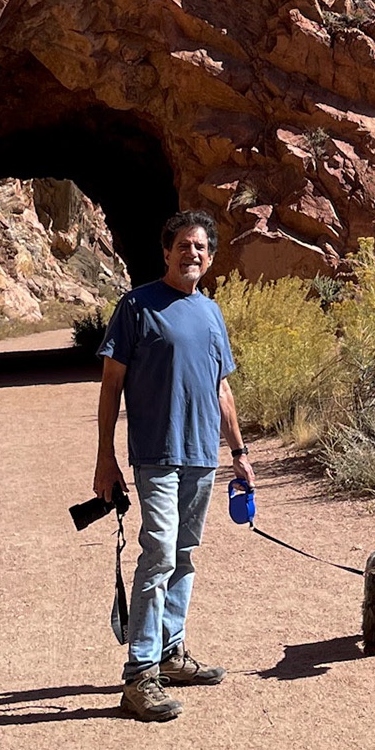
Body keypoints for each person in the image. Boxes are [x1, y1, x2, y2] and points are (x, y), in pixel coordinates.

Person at [92, 209, 255, 722]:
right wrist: (105, 458)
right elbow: (111, 386)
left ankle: (171, 653)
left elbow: (221, 387)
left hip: (202, 457)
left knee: (183, 554)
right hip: (157, 454)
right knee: (158, 551)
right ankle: (140, 675)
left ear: (210, 257)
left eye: (201, 247)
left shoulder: (211, 312)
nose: (192, 254)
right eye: (183, 245)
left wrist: (240, 453)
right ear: (166, 251)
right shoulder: (137, 306)